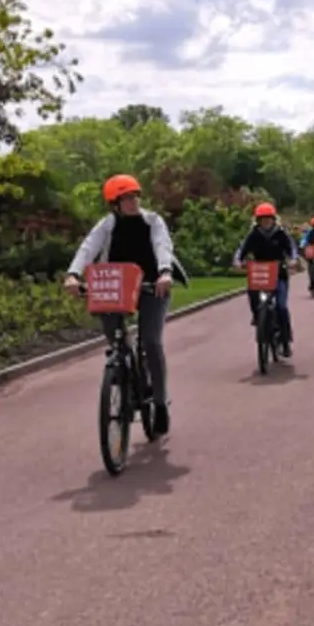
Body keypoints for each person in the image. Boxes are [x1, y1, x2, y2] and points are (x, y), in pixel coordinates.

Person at [64, 173, 189, 435]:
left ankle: (160, 402)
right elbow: (88, 247)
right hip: (118, 287)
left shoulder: (152, 221)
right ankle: (124, 370)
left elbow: (162, 245)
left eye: (135, 197)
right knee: (116, 340)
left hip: (154, 285)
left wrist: (165, 272)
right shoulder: (107, 224)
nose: (133, 202)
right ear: (115, 204)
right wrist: (73, 274)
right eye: (126, 199)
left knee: (151, 341)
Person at [232, 202, 299, 357]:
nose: (266, 222)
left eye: (268, 219)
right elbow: (242, 250)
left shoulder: (281, 234)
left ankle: (285, 341)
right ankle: (258, 317)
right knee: (252, 293)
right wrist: (238, 261)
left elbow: (292, 249)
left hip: (279, 274)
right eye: (262, 219)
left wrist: (293, 259)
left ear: (273, 219)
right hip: (260, 274)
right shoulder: (254, 235)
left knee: (281, 307)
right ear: (258, 221)